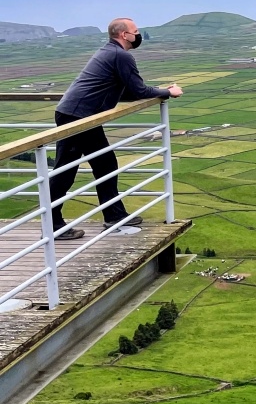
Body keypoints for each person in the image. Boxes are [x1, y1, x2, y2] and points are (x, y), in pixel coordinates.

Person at [48, 19, 183, 240]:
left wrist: (160, 91)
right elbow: (139, 90)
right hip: (77, 116)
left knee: (104, 163)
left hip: (79, 114)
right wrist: (169, 91)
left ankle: (114, 214)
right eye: (135, 32)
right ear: (123, 35)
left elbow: (129, 92)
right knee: (67, 170)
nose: (138, 35)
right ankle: (54, 224)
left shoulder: (112, 53)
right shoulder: (121, 55)